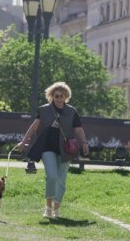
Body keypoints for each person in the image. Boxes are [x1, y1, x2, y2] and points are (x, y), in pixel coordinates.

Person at [17, 81, 89, 218]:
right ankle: (48, 207)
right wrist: (24, 141)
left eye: (62, 96)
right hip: (47, 148)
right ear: (51, 96)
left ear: (66, 96)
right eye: (56, 96)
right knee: (52, 177)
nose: (59, 98)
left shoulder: (72, 111)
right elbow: (34, 127)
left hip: (66, 150)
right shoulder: (44, 110)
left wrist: (84, 143)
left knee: (61, 180)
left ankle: (56, 209)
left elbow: (78, 129)